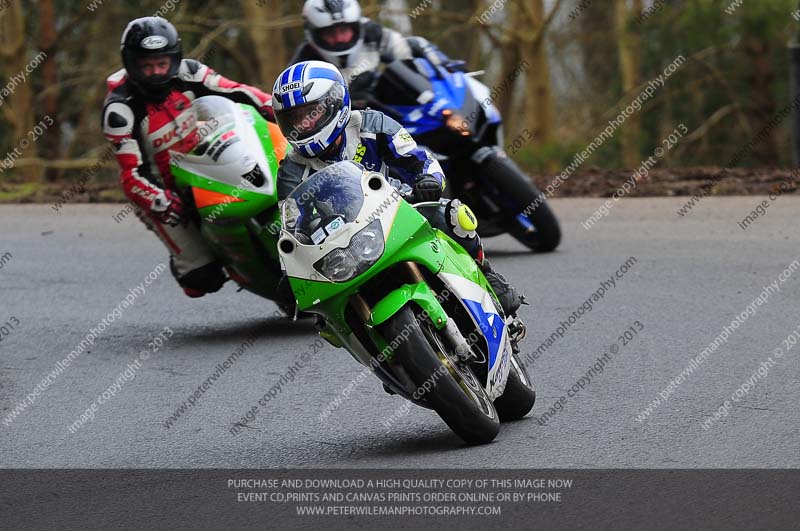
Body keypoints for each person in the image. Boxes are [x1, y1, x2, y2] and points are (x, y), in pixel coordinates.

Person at [272, 61, 523, 316]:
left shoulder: (372, 124)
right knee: (324, 312)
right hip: (342, 243)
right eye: (294, 119)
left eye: (310, 113)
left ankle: (488, 275)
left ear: (335, 101)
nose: (303, 125)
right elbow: (289, 230)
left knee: (453, 215)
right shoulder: (291, 171)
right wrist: (289, 273)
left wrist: (429, 180)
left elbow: (418, 159)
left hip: (397, 208)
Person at [101, 17, 276, 298]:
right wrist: (161, 200)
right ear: (131, 64)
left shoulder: (191, 72)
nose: (156, 73)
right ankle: (201, 261)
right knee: (201, 279)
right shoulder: (119, 110)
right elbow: (131, 176)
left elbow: (238, 92)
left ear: (175, 58)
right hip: (165, 191)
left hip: (211, 163)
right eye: (146, 66)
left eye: (162, 64)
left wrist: (274, 105)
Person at [289, 0, 464, 85]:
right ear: (313, 33)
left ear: (356, 26)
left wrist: (444, 66)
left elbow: (406, 47)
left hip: (395, 114)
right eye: (330, 33)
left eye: (344, 31)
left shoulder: (373, 33)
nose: (340, 39)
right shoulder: (303, 65)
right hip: (348, 133)